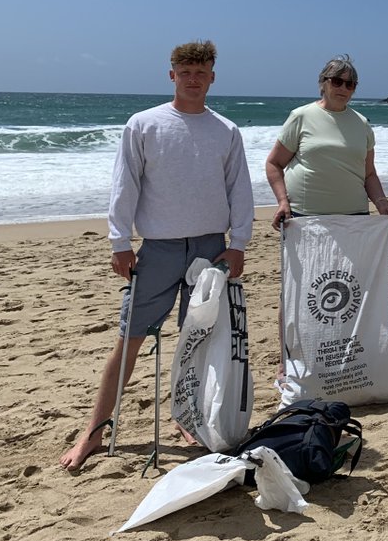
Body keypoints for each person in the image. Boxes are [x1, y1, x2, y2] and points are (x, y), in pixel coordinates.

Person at [60, 41, 253, 470]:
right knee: (130, 339)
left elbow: (239, 190)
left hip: (210, 248)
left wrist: (238, 243)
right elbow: (124, 185)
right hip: (158, 250)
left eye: (201, 72)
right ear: (172, 75)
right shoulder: (143, 124)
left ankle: (187, 419)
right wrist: (119, 242)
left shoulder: (226, 130)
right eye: (185, 71)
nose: (193, 79)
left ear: (212, 77)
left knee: (196, 343)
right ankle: (93, 430)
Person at [265, 55, 388, 229]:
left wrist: (381, 202)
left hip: (355, 217)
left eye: (350, 84)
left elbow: (369, 174)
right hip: (305, 217)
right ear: (323, 83)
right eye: (337, 81)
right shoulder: (301, 116)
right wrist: (282, 201)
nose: (343, 88)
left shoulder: (362, 123)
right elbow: (274, 163)